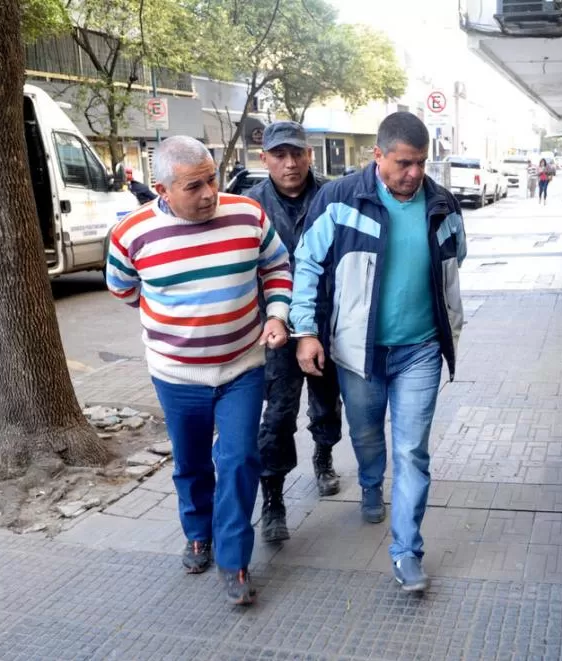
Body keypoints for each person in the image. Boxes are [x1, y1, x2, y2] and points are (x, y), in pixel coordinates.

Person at [105, 135, 292, 606]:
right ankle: (197, 534)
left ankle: (234, 559)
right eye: (194, 186)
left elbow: (276, 266)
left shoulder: (247, 215)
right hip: (176, 376)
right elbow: (124, 290)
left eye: (212, 179)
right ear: (162, 189)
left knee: (239, 460)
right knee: (190, 462)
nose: (209, 193)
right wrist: (176, 324)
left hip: (242, 367)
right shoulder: (131, 234)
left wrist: (276, 314)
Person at [290, 112, 466, 592]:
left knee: (411, 450)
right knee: (367, 435)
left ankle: (407, 551)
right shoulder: (342, 199)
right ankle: (370, 483)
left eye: (421, 163)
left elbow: (456, 258)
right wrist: (305, 331)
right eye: (404, 163)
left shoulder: (442, 203)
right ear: (378, 156)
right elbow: (305, 264)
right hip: (360, 352)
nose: (414, 173)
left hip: (421, 350)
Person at [245, 121, 342, 544]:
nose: (290, 164)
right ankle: (274, 499)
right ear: (264, 158)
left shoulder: (332, 197)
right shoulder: (248, 207)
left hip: (325, 324)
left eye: (297, 154)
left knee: (326, 402)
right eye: (280, 155)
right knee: (278, 415)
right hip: (276, 330)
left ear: (310, 156)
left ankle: (323, 455)